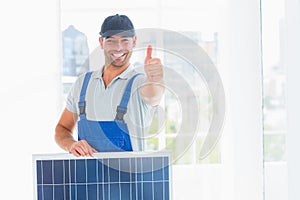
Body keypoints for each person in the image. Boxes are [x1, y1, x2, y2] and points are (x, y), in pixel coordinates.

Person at [55, 14, 164, 157]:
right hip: (87, 177)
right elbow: (62, 129)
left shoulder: (140, 83)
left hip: (129, 178)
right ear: (101, 42)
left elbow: (153, 95)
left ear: (134, 42)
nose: (118, 48)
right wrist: (71, 144)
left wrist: (155, 79)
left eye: (125, 40)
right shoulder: (82, 84)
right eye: (111, 41)